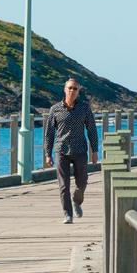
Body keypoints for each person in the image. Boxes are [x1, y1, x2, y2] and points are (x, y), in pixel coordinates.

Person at [44, 77, 100, 224]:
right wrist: (47, 154)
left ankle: (77, 200)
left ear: (78, 91)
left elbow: (92, 129)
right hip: (61, 150)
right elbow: (49, 133)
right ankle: (68, 214)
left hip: (80, 149)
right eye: (70, 88)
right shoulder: (55, 109)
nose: (72, 91)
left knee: (82, 182)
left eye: (75, 88)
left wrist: (95, 151)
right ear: (65, 89)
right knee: (63, 185)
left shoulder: (84, 108)